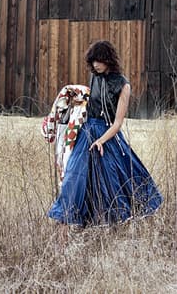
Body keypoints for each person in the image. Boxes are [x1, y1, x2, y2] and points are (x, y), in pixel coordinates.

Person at [47, 40, 162, 227]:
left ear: (108, 59)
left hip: (107, 134)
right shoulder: (94, 77)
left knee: (111, 182)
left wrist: (101, 140)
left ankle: (110, 227)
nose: (95, 65)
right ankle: (70, 220)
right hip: (86, 133)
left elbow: (117, 123)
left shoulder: (123, 85)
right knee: (74, 177)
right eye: (92, 61)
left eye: (99, 61)